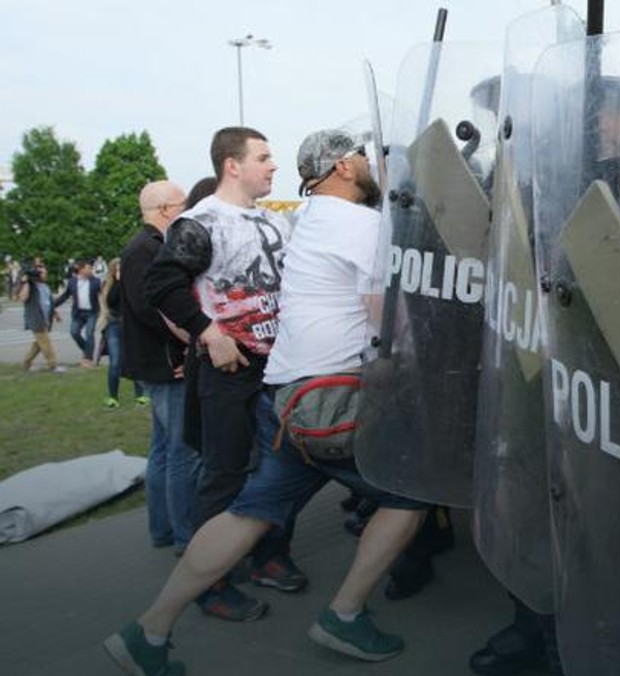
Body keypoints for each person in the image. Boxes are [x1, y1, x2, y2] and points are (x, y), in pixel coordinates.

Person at [104, 128, 427, 675]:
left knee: (248, 511)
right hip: (330, 397)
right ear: (343, 167)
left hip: (284, 393)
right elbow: (385, 318)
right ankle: (344, 615)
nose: (373, 164)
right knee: (412, 492)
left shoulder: (300, 221)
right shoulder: (360, 223)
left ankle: (149, 630)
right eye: (363, 156)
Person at [142, 128, 304, 621]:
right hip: (229, 370)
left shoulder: (274, 223)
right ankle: (211, 585)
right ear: (232, 165)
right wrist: (208, 333)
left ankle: (269, 555)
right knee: (225, 473)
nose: (274, 166)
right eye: (264, 157)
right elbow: (160, 283)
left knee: (283, 467)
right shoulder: (200, 222)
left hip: (279, 366)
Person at [121, 180, 199, 554]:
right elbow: (151, 307)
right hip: (165, 364)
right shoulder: (147, 249)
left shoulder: (144, 247)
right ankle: (185, 534)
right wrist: (187, 343)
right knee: (182, 450)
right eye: (184, 204)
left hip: (157, 363)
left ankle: (164, 529)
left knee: (165, 449)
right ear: (167, 209)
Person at [96, 258, 148, 408]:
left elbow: (132, 301)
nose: (120, 272)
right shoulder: (108, 286)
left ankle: (140, 394)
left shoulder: (131, 285)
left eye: (122, 269)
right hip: (113, 325)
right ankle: (113, 396)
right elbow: (112, 301)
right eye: (117, 269)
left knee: (134, 359)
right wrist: (118, 283)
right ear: (112, 271)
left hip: (130, 325)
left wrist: (124, 283)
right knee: (115, 362)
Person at [17, 259, 66, 373]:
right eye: (42, 273)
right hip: (36, 319)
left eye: (45, 272)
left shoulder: (45, 286)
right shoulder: (30, 285)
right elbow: (22, 298)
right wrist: (26, 281)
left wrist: (55, 313)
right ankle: (53, 365)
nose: (44, 274)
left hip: (45, 319)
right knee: (45, 342)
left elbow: (49, 302)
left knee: (39, 344)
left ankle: (26, 363)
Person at [54, 259, 102, 367]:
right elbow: (65, 296)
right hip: (78, 313)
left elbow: (105, 295)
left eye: (91, 268)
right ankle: (87, 349)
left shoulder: (96, 282)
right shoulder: (72, 281)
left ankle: (88, 359)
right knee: (74, 332)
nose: (91, 270)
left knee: (89, 333)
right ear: (81, 269)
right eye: (88, 268)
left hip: (92, 312)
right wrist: (53, 305)